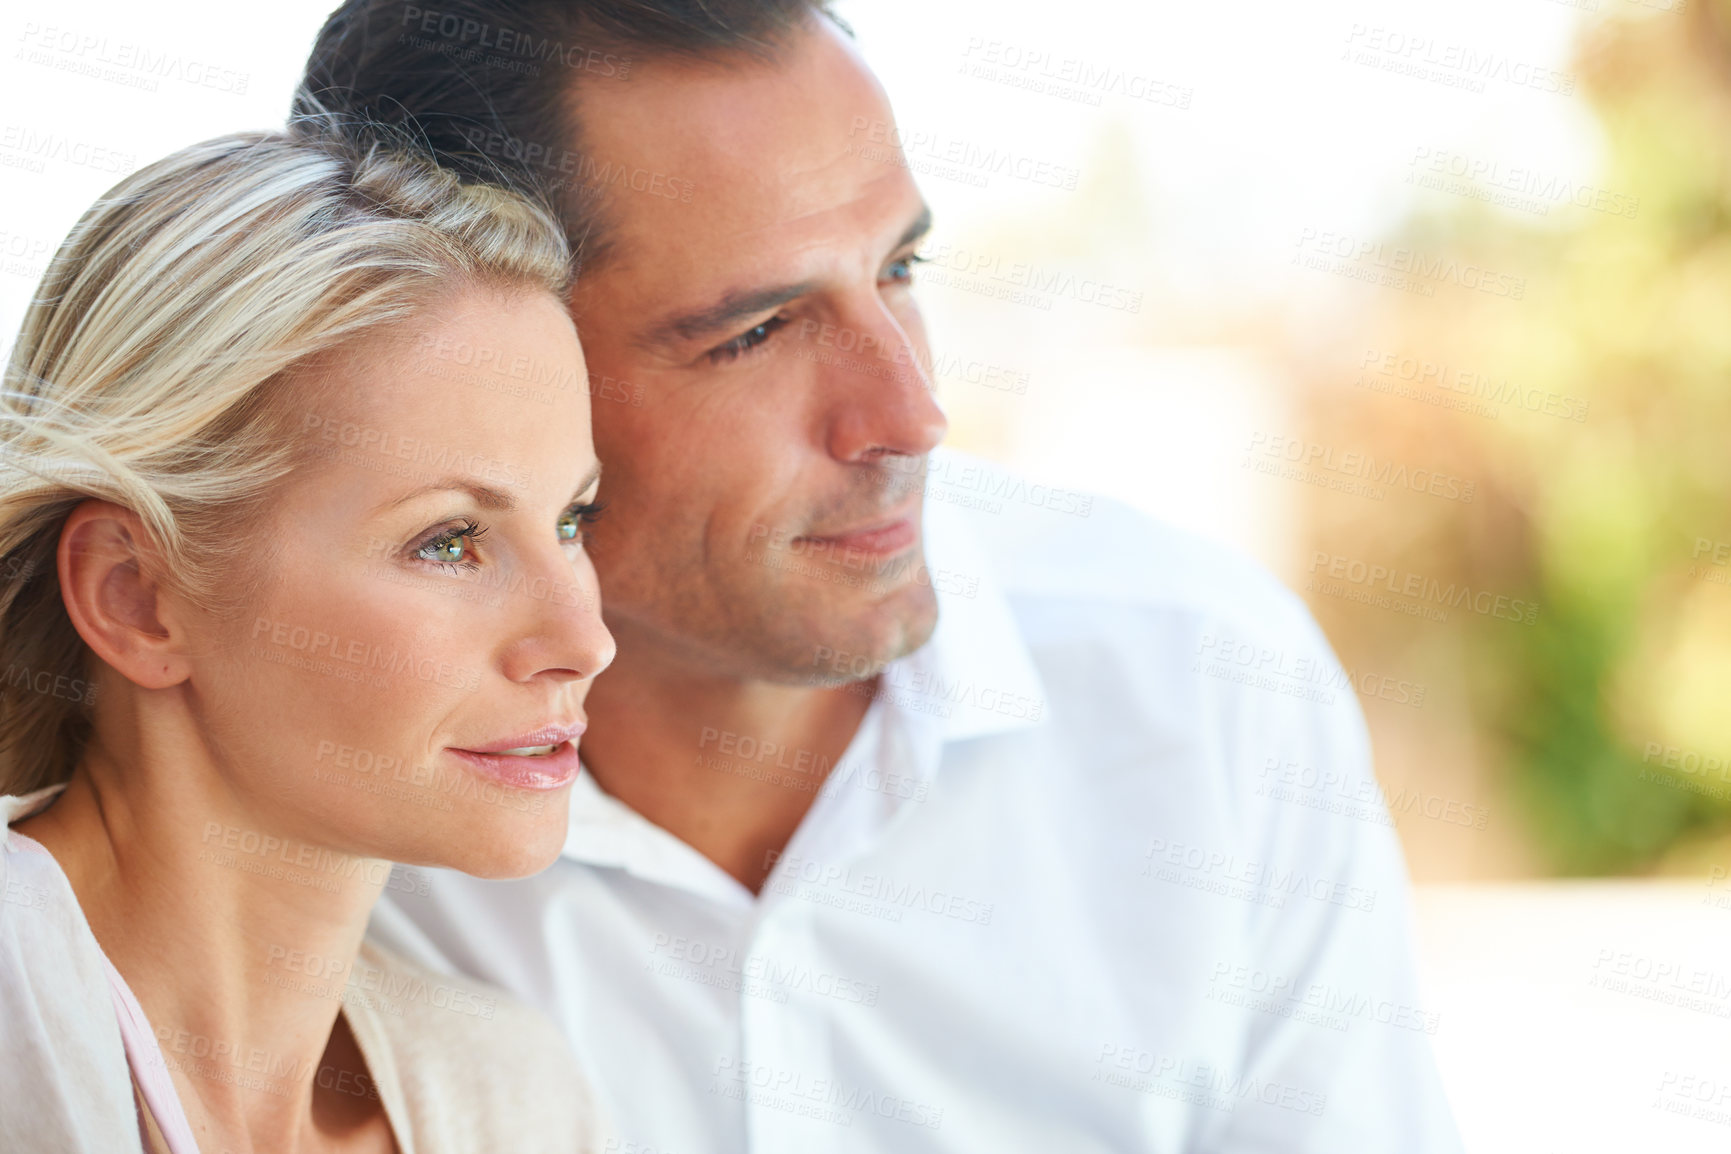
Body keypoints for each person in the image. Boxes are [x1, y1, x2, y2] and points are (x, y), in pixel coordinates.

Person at [299, 3, 1465, 1150]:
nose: (911, 412)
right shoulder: (301, 778)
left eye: (901, 267)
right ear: (457, 360)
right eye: (755, 331)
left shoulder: (1205, 687)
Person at [0, 123, 615, 1152]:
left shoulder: (518, 1099)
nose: (582, 637)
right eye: (450, 540)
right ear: (134, 595)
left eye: (573, 520)